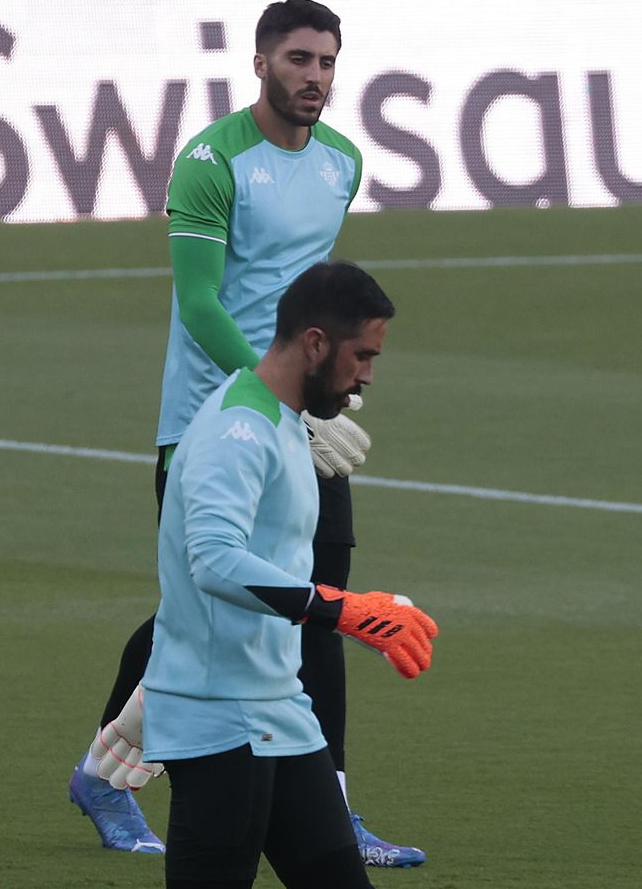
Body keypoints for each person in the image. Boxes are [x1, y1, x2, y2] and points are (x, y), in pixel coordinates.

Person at [69, 0, 425, 867]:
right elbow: (200, 303)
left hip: (304, 410)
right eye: (300, 59)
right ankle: (107, 776)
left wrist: (318, 398)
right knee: (199, 608)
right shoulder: (211, 162)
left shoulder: (342, 161)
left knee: (319, 604)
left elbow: (308, 297)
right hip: (213, 419)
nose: (315, 77)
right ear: (261, 61)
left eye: (328, 62)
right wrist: (271, 407)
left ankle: (329, 806)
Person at [148, 260, 435, 888]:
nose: (367, 375)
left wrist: (350, 610)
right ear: (314, 343)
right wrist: (341, 609)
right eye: (361, 355)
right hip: (219, 720)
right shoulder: (237, 430)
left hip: (281, 711)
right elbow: (214, 561)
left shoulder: (282, 422)